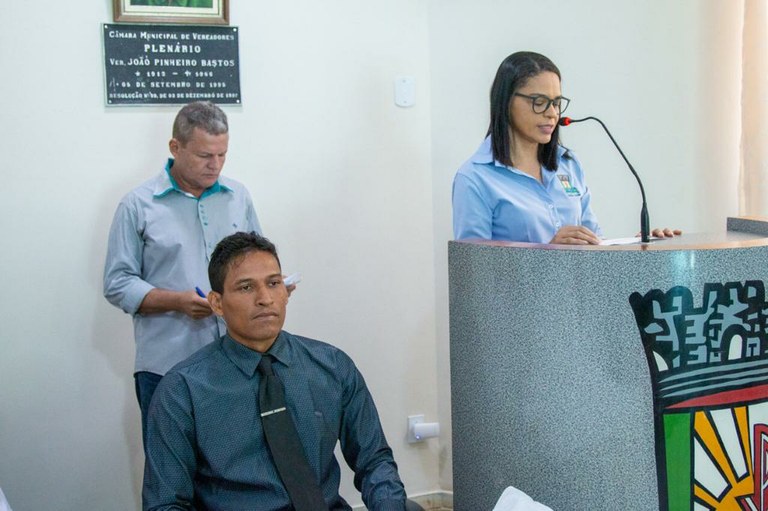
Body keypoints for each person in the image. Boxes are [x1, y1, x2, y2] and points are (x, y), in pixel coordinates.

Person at [142, 232, 409, 511]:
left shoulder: (332, 366)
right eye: (246, 287)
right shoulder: (182, 390)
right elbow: (166, 503)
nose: (265, 298)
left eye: (273, 283)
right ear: (216, 303)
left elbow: (374, 462)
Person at [103, 101, 262, 445]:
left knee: (238, 462)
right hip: (167, 367)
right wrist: (177, 301)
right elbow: (117, 282)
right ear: (175, 147)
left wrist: (271, 288)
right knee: (171, 468)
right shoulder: (138, 205)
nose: (215, 165)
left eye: (222, 155)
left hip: (237, 360)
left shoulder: (238, 197)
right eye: (205, 155)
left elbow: (256, 264)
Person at [452, 51, 680, 244]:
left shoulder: (568, 164)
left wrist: (641, 245)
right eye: (539, 102)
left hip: (579, 287)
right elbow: (475, 272)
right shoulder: (475, 178)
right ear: (506, 101)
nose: (552, 113)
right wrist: (549, 253)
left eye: (556, 103)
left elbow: (595, 244)